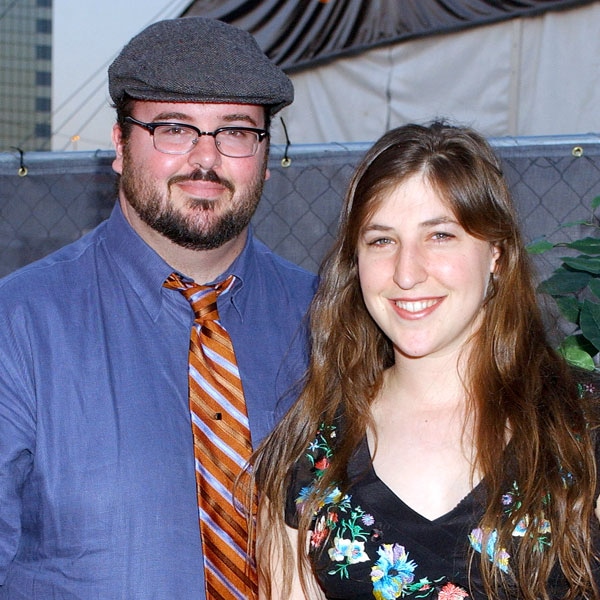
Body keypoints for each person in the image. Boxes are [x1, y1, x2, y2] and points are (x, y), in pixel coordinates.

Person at [0, 16, 316, 600]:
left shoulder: (328, 321)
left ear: (266, 154)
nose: (205, 158)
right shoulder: (18, 328)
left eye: (236, 131)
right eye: (174, 128)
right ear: (120, 146)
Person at [252, 121, 600, 600]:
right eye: (381, 240)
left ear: (495, 252)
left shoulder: (584, 424)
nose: (407, 272)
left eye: (439, 235)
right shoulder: (308, 453)